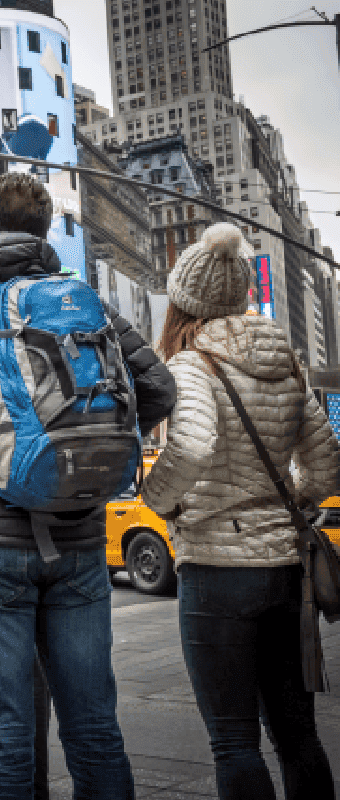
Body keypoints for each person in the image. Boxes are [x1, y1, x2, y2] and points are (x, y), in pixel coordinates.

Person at [0, 172, 177, 800]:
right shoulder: (82, 301)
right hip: (76, 542)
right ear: (44, 231)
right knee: (96, 730)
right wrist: (89, 459)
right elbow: (157, 391)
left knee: (3, 744)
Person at [142, 223, 340, 800]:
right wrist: (293, 497)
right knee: (298, 733)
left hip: (215, 572)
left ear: (185, 298)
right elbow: (326, 469)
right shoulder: (286, 362)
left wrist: (161, 501)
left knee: (233, 741)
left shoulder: (191, 364)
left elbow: (195, 446)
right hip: (284, 569)